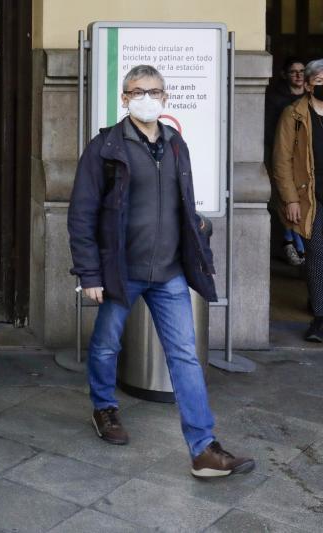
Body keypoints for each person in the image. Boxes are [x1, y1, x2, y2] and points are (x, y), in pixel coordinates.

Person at [68, 65, 255, 478]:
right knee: (105, 346)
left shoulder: (174, 144)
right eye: (137, 91)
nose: (146, 98)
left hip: (169, 271)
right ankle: (104, 408)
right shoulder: (106, 147)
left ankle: (204, 448)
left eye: (154, 91)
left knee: (185, 356)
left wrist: (198, 230)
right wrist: (89, 273)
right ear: (124, 98)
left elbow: (182, 200)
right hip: (121, 270)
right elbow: (81, 213)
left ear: (165, 97)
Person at [273, 59, 323, 342]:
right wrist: (290, 199)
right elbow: (281, 161)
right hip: (310, 198)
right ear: (307, 83)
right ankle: (320, 317)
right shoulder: (293, 114)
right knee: (317, 256)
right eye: (319, 80)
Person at [266, 58, 308, 266]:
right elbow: (272, 136)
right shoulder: (278, 101)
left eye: (302, 71)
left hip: (306, 163)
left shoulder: (311, 100)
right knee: (287, 203)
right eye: (294, 72)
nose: (299, 75)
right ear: (285, 75)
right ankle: (292, 243)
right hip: (283, 155)